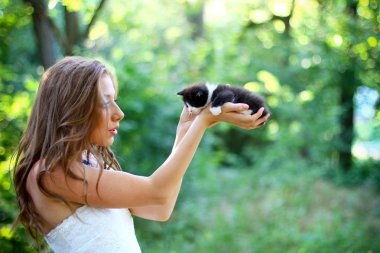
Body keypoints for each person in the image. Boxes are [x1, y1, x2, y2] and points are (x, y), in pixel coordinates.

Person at [12, 56, 270, 252]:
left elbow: (161, 207)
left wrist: (185, 130)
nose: (118, 112)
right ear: (72, 107)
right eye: (105, 102)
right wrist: (202, 122)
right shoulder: (51, 173)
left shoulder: (88, 164)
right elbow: (156, 191)